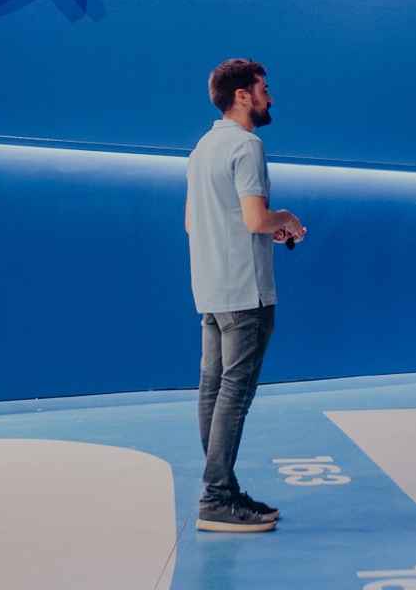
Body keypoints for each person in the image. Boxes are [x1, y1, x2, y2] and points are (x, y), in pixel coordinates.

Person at [185, 59, 305, 533]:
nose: (269, 98)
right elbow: (256, 219)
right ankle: (216, 497)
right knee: (234, 394)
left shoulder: (202, 148)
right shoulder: (247, 146)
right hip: (246, 292)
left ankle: (224, 489)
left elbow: (193, 222)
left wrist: (261, 228)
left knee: (213, 389)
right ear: (242, 96)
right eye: (263, 89)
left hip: (211, 289)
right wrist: (286, 220)